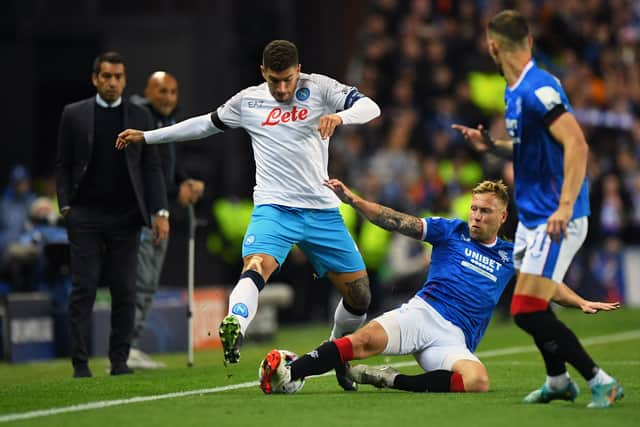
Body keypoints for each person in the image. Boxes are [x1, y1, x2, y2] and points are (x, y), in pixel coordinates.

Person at [116, 40, 381, 390]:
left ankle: (334, 353)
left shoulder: (320, 88)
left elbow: (371, 107)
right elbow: (203, 125)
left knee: (360, 295)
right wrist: (148, 136)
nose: (282, 88)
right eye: (274, 80)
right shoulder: (248, 100)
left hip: (321, 211)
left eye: (287, 79)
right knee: (255, 266)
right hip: (274, 208)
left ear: (298, 71)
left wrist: (340, 116)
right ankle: (236, 326)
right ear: (263, 73)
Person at [260, 178, 620, 395]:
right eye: (475, 209)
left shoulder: (513, 253)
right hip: (424, 313)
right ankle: (291, 371)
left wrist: (581, 301)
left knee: (477, 381)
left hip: (454, 339)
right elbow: (398, 221)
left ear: (502, 217)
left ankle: (389, 380)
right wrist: (355, 201)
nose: (476, 216)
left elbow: (546, 285)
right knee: (362, 342)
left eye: (485, 211)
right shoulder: (452, 231)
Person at [451, 10, 624, 408]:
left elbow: (576, 144)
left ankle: (602, 380)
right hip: (533, 216)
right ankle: (558, 380)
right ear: (527, 41)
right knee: (531, 307)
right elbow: (532, 147)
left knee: (526, 310)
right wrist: (491, 146)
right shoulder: (515, 91)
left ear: (494, 47)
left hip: (555, 216)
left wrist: (564, 207)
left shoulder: (537, 89)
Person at [55, 51, 169, 378]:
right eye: (106, 76)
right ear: (95, 79)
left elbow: (152, 168)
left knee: (125, 291)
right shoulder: (73, 114)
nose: (113, 82)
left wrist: (160, 211)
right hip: (85, 216)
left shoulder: (139, 116)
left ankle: (119, 361)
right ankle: (79, 364)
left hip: (126, 218)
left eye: (118, 77)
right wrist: (66, 206)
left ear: (124, 79)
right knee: (84, 288)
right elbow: (62, 165)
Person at [127, 71, 205, 369]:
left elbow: (169, 167)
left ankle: (128, 345)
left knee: (148, 280)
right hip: (143, 215)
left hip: (162, 212)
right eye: (161, 91)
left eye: (173, 92)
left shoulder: (169, 122)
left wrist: (185, 182)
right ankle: (126, 347)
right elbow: (148, 171)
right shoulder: (138, 120)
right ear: (147, 91)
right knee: (141, 280)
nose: (168, 98)